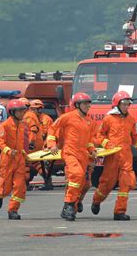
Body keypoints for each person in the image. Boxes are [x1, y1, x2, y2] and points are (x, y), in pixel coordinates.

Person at [91, 91, 137, 221]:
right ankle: (96, 201)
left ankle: (119, 212)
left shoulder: (131, 119)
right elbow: (99, 136)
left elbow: (134, 137)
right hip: (112, 158)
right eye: (124, 104)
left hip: (126, 157)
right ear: (117, 104)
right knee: (106, 184)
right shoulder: (108, 119)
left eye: (128, 104)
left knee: (126, 184)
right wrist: (107, 143)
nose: (127, 106)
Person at [47, 92, 97, 221]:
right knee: (77, 174)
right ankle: (69, 205)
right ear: (77, 105)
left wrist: (92, 150)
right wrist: (52, 144)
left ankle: (70, 207)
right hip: (70, 152)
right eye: (85, 103)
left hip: (83, 155)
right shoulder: (67, 117)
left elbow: (90, 140)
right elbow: (53, 128)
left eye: (88, 103)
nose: (88, 106)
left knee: (84, 183)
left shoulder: (90, 121)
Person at [0, 99, 28, 219]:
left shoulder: (22, 125)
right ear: (12, 112)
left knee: (19, 185)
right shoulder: (5, 125)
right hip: (7, 159)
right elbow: (0, 142)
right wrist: (8, 151)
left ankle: (13, 210)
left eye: (23, 111)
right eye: (20, 111)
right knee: (6, 186)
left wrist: (22, 152)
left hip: (19, 159)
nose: (22, 113)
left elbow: (20, 142)